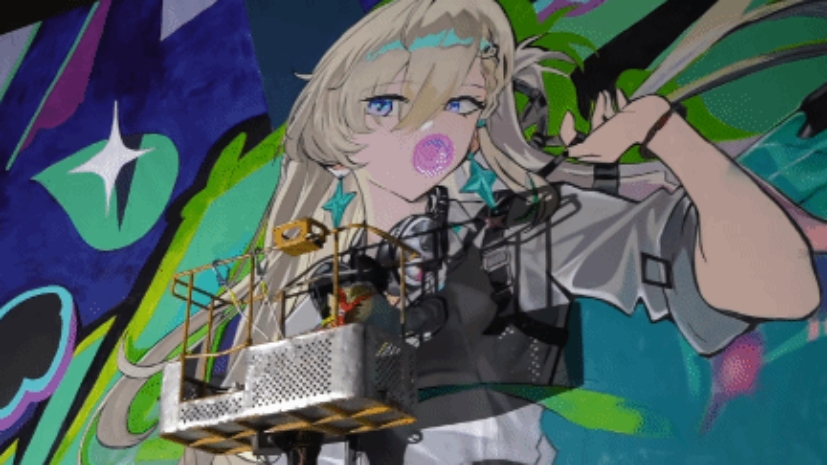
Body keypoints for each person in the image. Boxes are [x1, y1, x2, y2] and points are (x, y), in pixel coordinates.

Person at [215, 0, 821, 463]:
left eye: (459, 104)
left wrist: (663, 131)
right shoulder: (308, 288)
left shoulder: (519, 235)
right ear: (336, 130)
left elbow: (781, 292)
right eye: (387, 103)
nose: (428, 131)